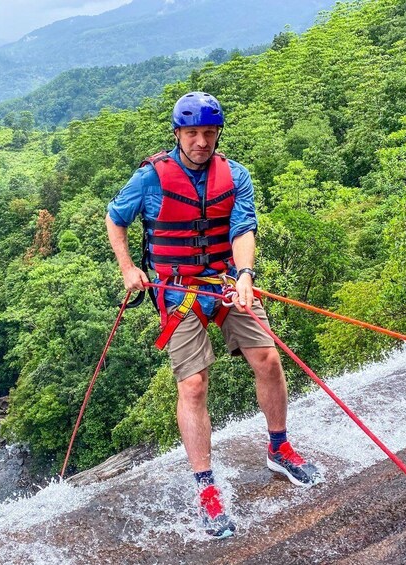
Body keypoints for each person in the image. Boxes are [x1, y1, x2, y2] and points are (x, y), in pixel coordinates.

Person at [105, 91, 322, 538]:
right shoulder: (151, 178)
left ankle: (279, 448)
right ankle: (206, 487)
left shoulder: (236, 176)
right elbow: (115, 217)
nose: (201, 141)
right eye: (192, 133)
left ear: (217, 133)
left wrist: (244, 275)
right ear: (178, 134)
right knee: (194, 382)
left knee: (268, 359)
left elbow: (243, 227)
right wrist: (129, 268)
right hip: (177, 287)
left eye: (208, 133)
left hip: (223, 281)